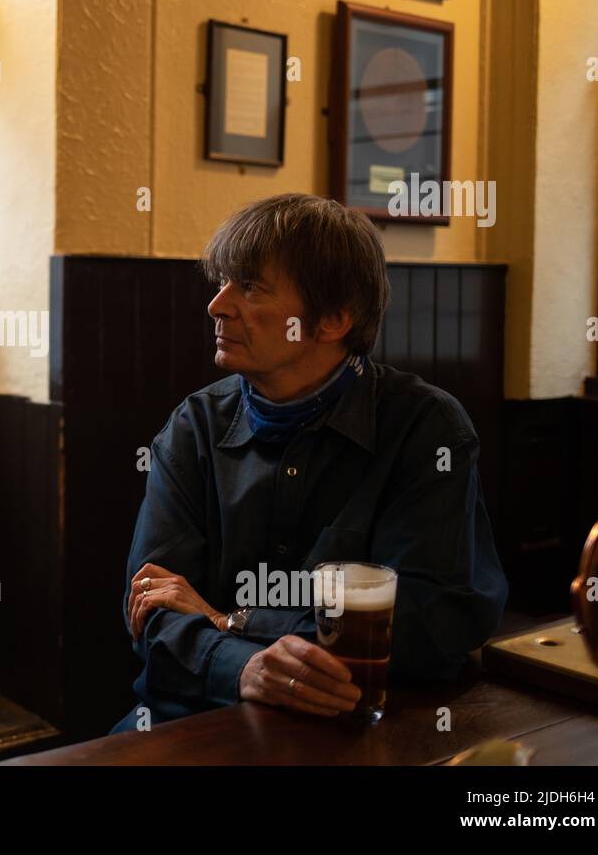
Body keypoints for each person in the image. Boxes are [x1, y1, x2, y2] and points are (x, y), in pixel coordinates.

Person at [110, 193, 508, 734]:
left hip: (356, 725)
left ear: (333, 319)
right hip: (193, 712)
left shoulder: (425, 430)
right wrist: (243, 667)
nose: (217, 305)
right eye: (223, 281)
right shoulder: (194, 427)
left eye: (249, 286)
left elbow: (428, 626)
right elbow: (150, 611)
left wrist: (229, 619)